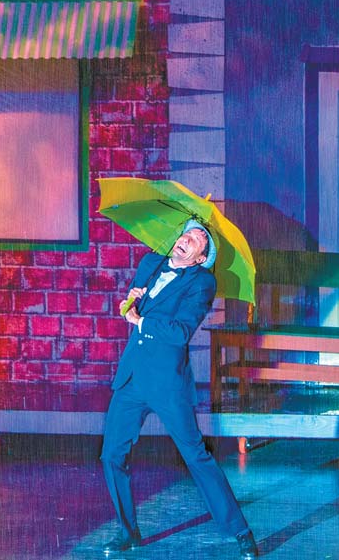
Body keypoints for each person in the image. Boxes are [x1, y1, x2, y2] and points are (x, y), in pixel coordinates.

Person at [100, 219, 258, 558]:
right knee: (111, 454)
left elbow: (180, 332)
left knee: (195, 455)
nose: (188, 238)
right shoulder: (150, 262)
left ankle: (240, 531)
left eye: (198, 239)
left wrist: (141, 320)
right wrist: (130, 301)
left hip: (167, 382)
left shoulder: (202, 283)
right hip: (132, 377)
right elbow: (133, 304)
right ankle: (128, 532)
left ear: (200, 258)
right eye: (187, 232)